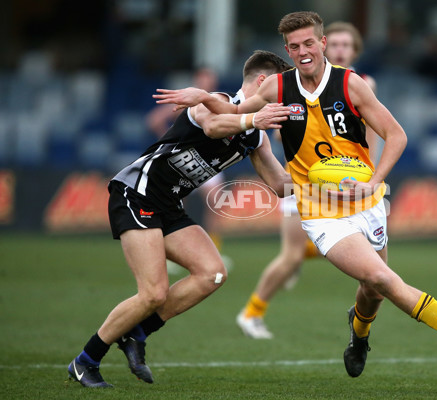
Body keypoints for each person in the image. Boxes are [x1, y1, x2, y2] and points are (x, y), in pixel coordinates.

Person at [153, 11, 437, 377]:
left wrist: (375, 182)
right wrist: (206, 99)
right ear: (287, 51)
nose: (303, 51)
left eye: (309, 43)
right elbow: (235, 114)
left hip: (367, 201)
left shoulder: (352, 85)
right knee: (385, 279)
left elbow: (396, 135)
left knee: (373, 291)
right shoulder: (276, 88)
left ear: (322, 43)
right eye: (294, 47)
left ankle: (359, 335)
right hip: (320, 210)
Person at [67, 50, 292, 388]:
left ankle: (137, 334)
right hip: (137, 192)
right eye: (283, 87)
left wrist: (330, 180)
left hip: (168, 204)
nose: (288, 96)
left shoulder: (256, 136)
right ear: (262, 82)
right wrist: (250, 119)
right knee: (153, 293)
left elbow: (281, 185)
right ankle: (85, 361)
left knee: (213, 273)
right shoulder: (216, 101)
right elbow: (215, 126)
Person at [234, 21, 380, 340]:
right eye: (336, 44)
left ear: (354, 51)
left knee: (369, 267)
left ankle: (359, 320)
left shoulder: (360, 83)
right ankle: (251, 313)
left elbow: (370, 135)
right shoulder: (293, 83)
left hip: (350, 182)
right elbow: (281, 122)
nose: (340, 49)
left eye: (347, 45)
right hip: (306, 182)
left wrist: (372, 176)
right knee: (292, 254)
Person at [146, 66, 229, 274]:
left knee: (215, 202)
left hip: (210, 160)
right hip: (186, 160)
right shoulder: (186, 99)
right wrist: (170, 142)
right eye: (203, 78)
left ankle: (214, 251)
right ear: (196, 79)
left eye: (209, 78)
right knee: (175, 207)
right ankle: (174, 253)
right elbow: (154, 120)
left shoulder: (219, 101)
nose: (206, 82)